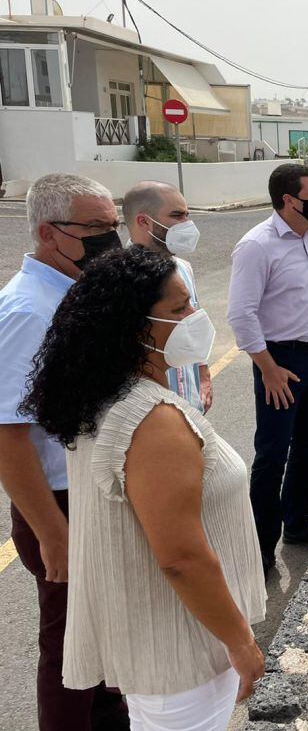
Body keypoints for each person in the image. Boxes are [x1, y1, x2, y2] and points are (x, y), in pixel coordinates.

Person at [20, 247, 265, 730]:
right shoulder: (151, 420)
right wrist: (241, 642)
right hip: (181, 645)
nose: (197, 317)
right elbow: (181, 557)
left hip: (159, 635)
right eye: (179, 309)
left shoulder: (106, 395)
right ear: (134, 327)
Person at [0, 173, 127, 731]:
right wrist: (52, 531)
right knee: (71, 644)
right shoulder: (29, 312)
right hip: (62, 503)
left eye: (114, 225)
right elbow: (7, 433)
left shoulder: (73, 294)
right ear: (49, 234)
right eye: (97, 228)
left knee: (99, 635)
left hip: (95, 492)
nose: (111, 239)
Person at [227, 164, 308, 575]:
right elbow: (241, 315)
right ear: (288, 201)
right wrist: (268, 369)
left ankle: (297, 524)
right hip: (281, 361)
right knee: (272, 454)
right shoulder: (256, 246)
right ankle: (260, 546)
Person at [123, 181, 212, 412]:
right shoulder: (119, 278)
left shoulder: (183, 268)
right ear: (144, 222)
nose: (187, 224)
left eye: (187, 215)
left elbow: (193, 328)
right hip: (151, 411)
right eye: (177, 216)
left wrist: (204, 376)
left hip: (190, 404)